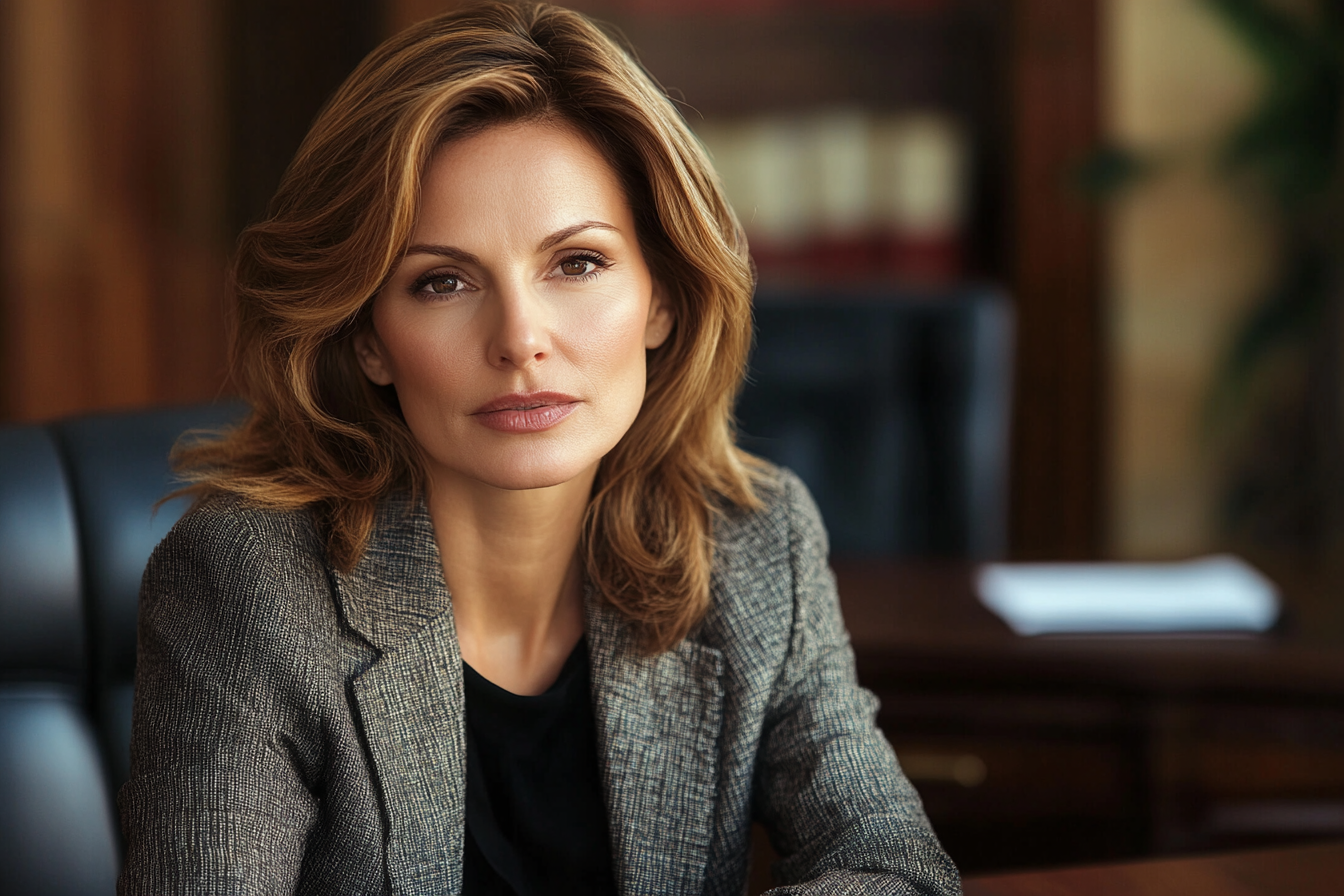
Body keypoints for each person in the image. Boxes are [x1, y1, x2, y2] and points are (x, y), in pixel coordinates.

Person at [117, 3, 961, 894]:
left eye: (578, 263)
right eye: (442, 282)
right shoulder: (251, 587)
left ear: (663, 298)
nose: (521, 338)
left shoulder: (752, 547)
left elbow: (892, 867)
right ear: (369, 338)